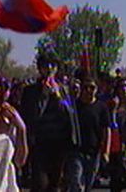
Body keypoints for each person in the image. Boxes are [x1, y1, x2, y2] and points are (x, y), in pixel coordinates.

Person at [20, 53, 80, 192]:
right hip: (40, 143)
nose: (49, 69)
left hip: (59, 144)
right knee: (40, 183)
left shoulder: (64, 90)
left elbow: (69, 113)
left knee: (56, 184)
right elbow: (31, 116)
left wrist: (58, 97)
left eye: (53, 65)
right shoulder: (31, 91)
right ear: (40, 69)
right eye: (46, 66)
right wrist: (44, 96)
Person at [64, 77, 111, 192]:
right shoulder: (73, 107)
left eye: (92, 87)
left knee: (88, 184)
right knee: (77, 183)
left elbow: (106, 130)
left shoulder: (101, 107)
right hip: (76, 151)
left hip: (94, 152)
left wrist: (106, 151)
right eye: (86, 88)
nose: (89, 90)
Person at [107, 77, 126, 192]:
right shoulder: (112, 105)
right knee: (115, 180)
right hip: (114, 146)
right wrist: (113, 109)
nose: (124, 89)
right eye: (122, 86)